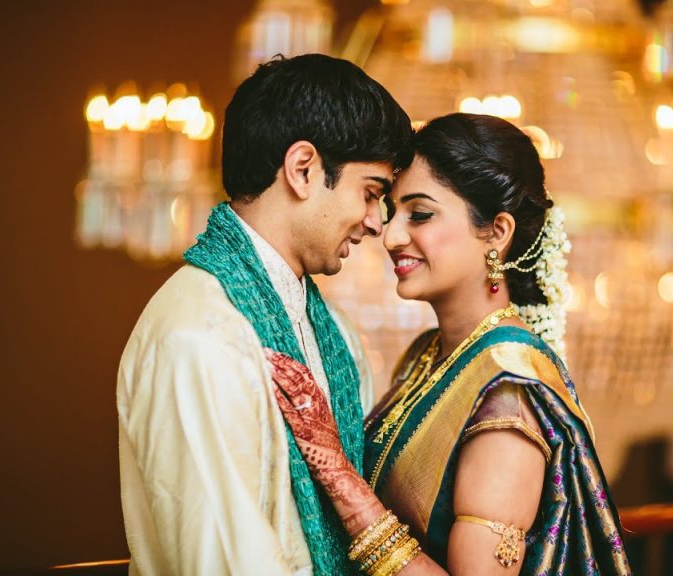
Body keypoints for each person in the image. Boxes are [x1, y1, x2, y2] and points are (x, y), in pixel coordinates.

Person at [268, 113, 631, 575]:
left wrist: (341, 479)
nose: (392, 235)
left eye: (420, 214)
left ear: (497, 233)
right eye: (392, 211)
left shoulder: (508, 393)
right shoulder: (428, 353)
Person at [116, 53, 413, 575]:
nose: (375, 223)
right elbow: (218, 557)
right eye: (370, 193)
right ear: (303, 169)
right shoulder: (198, 335)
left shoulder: (336, 335)